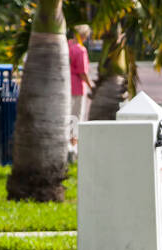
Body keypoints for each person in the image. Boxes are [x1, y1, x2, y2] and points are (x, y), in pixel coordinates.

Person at [68, 25, 93, 157]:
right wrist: (91, 86)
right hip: (77, 86)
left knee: (68, 115)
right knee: (76, 116)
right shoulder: (81, 50)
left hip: (65, 85)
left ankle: (69, 144)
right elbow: (82, 72)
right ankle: (73, 147)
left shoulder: (67, 46)